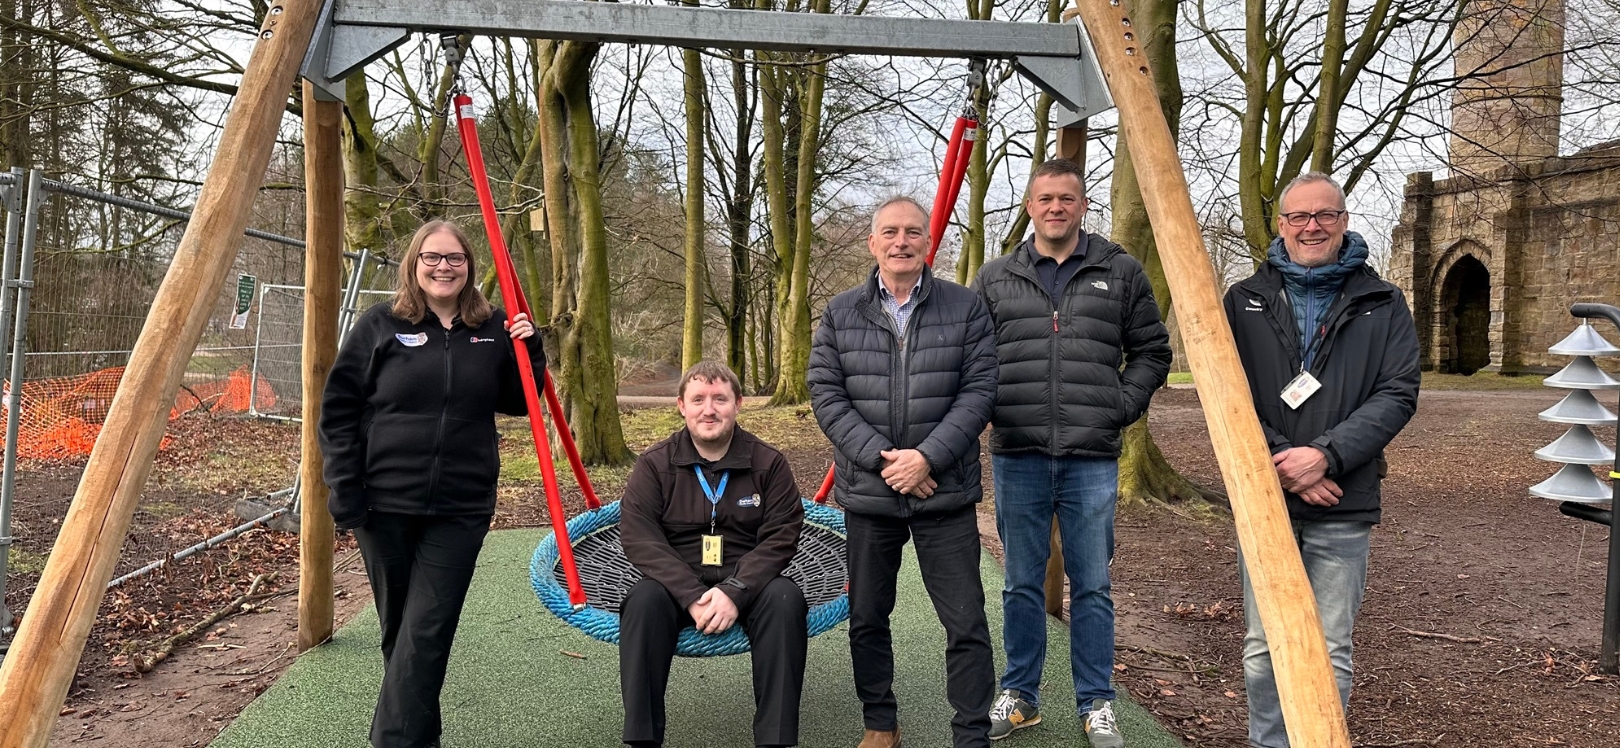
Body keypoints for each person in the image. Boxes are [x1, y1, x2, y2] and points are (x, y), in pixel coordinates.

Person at [319, 219, 545, 748]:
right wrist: (344, 488)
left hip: (460, 507)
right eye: (432, 257)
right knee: (401, 633)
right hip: (383, 503)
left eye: (455, 258)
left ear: (469, 267)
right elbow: (338, 409)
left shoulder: (491, 327)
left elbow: (519, 400)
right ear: (414, 264)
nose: (443, 266)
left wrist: (529, 348)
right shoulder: (380, 324)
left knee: (426, 631)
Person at [971, 158, 1171, 747]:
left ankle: (1096, 702)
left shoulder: (1121, 270)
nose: (1056, 207)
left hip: (1092, 458)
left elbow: (1152, 353)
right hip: (1018, 451)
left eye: (1067, 198)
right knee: (1020, 584)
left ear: (1083, 205)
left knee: (1092, 585)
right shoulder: (996, 277)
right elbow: (972, 360)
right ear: (1030, 207)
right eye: (1045, 198)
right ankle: (1020, 696)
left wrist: (1118, 406)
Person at [1222, 172, 1419, 747]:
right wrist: (1284, 460)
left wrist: (1326, 456)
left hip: (1345, 497)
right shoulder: (1244, 301)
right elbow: (1225, 392)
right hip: (1265, 499)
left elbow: (1398, 392)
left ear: (1344, 221)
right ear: (1281, 225)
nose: (1312, 227)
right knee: (1263, 649)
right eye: (1299, 217)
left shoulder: (1381, 302)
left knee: (1329, 647)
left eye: (1325, 215)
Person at [808, 196, 999, 748]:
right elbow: (825, 392)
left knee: (965, 622)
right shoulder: (841, 311)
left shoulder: (965, 307)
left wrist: (927, 458)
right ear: (872, 243)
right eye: (889, 232)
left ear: (928, 243)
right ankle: (880, 723)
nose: (901, 241)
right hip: (870, 493)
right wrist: (884, 460)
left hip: (945, 491)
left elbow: (980, 390)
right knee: (868, 616)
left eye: (913, 232)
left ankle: (970, 733)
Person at [617, 360, 808, 748]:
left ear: (738, 403)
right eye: (699, 399)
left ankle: (775, 740)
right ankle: (643, 740)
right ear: (681, 406)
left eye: (720, 399)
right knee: (643, 601)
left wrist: (736, 590)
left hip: (748, 581)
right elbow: (640, 536)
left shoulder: (768, 463)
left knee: (786, 599)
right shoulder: (654, 464)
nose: (709, 409)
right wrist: (689, 595)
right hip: (677, 583)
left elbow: (782, 535)